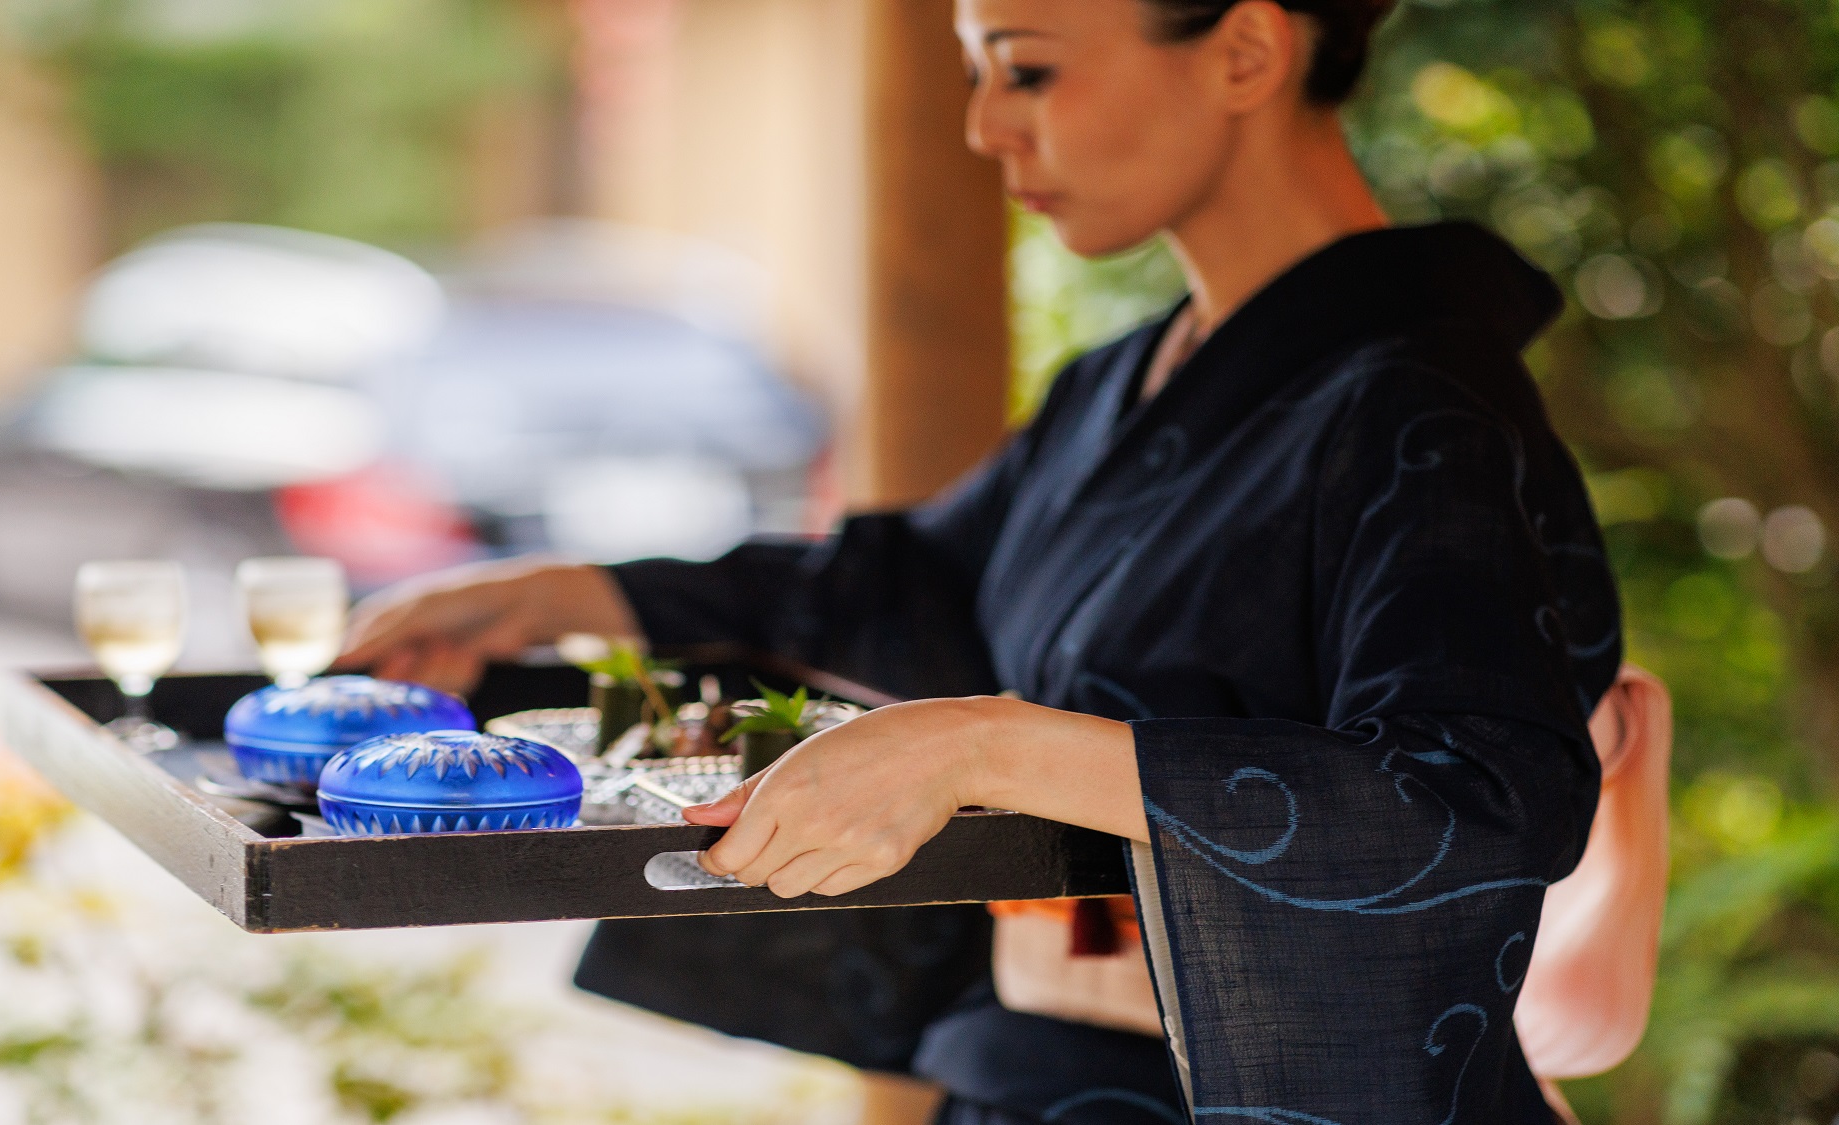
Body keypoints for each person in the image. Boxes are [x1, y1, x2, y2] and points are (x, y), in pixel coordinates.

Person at [340, 0, 1620, 1121]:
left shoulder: (1424, 402)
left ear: (1241, 50)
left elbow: (1482, 799)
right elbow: (913, 591)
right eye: (973, 71)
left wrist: (987, 747)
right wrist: (565, 594)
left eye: (1026, 70)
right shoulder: (1122, 383)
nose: (983, 126)